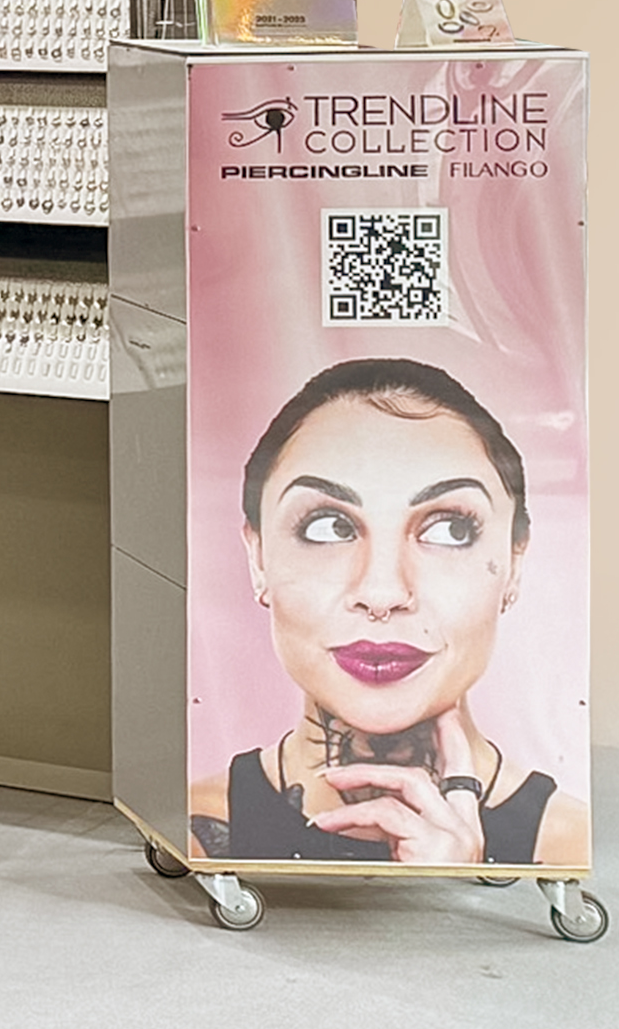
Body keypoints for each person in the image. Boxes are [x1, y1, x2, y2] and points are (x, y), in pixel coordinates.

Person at [192, 357, 587, 869]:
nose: (382, 593)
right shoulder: (195, 831)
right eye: (328, 526)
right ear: (258, 557)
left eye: (450, 529)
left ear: (513, 563)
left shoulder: (569, 848)